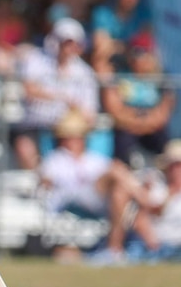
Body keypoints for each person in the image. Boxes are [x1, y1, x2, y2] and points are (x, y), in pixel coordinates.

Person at [38, 108, 158, 265]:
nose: (74, 140)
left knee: (119, 192)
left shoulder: (93, 159)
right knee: (116, 169)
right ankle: (145, 199)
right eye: (70, 136)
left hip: (99, 201)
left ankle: (114, 249)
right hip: (72, 199)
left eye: (77, 136)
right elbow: (46, 185)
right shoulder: (55, 160)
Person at [13, 17, 99, 171]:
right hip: (35, 125)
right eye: (65, 42)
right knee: (24, 147)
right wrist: (62, 98)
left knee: (75, 145)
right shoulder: (36, 60)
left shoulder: (85, 73)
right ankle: (40, 182)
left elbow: (90, 114)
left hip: (66, 132)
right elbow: (29, 89)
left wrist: (73, 116)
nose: (69, 47)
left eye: (73, 43)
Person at [101, 31, 175, 168]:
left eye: (141, 53)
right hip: (127, 126)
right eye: (134, 53)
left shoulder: (161, 77)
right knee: (122, 146)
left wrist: (145, 123)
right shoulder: (118, 75)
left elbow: (164, 112)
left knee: (167, 148)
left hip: (152, 127)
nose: (137, 59)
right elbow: (113, 108)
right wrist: (137, 123)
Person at [90, 0, 151, 77]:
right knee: (100, 63)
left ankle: (142, 91)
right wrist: (129, 47)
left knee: (148, 62)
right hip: (111, 62)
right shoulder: (102, 13)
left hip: (133, 61)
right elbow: (100, 47)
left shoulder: (144, 14)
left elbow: (145, 45)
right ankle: (109, 91)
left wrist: (115, 46)